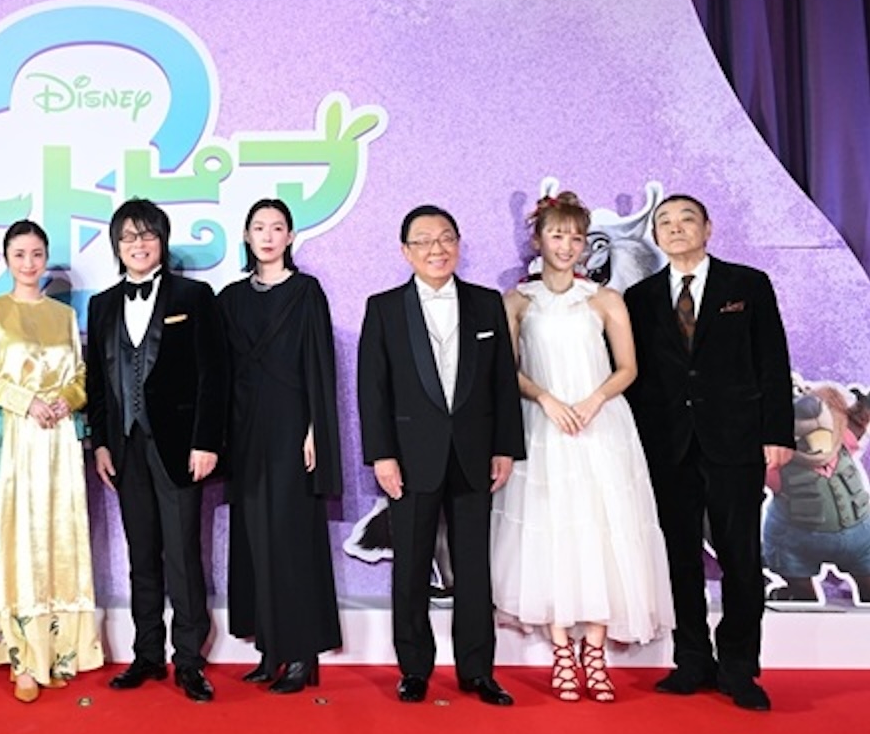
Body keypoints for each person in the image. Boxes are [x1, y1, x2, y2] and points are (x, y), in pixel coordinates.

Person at [489, 192, 673, 703]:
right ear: (538, 240)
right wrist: (546, 399)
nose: (567, 245)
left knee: (603, 530)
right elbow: (507, 370)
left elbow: (628, 368)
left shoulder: (605, 299)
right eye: (557, 235)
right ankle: (561, 651)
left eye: (575, 237)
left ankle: (594, 651)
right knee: (551, 532)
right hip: (543, 426)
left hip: (601, 426)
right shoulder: (517, 301)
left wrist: (594, 401)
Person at [625, 194, 792, 711]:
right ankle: (692, 660)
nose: (675, 228)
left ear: (708, 227)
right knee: (679, 558)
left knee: (740, 557)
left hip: (735, 442)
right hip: (667, 445)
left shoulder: (747, 285)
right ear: (656, 235)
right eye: (665, 222)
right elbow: (636, 377)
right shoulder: (639, 297)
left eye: (686, 219)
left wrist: (778, 433)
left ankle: (739, 667)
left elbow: (772, 360)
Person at [356, 204, 524, 706]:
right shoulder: (384, 308)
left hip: (475, 454)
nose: (437, 248)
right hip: (410, 458)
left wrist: (505, 447)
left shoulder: (485, 303)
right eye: (424, 240)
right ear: (405, 251)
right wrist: (382, 455)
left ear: (458, 244)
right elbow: (373, 389)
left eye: (446, 238)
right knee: (410, 566)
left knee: (473, 567)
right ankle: (414, 668)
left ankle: (478, 670)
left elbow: (502, 382)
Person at [86, 198, 227, 703]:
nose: (138, 244)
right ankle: (147, 653)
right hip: (125, 449)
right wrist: (101, 443)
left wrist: (206, 441)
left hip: (179, 448)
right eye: (128, 237)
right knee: (141, 554)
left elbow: (214, 374)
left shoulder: (195, 295)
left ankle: (189, 659)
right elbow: (98, 383)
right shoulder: (101, 304)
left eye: (147, 235)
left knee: (183, 555)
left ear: (162, 242)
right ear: (116, 246)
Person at [0, 219, 105, 703]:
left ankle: (57, 652)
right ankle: (22, 658)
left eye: (37, 254)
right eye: (19, 254)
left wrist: (67, 399)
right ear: (6, 260)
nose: (29, 263)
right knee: (18, 537)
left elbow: (81, 374)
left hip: (60, 439)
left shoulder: (63, 315)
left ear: (46, 259)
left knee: (58, 537)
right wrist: (26, 402)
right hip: (16, 435)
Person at [219, 199, 342, 694]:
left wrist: (315, 428)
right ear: (246, 236)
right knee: (254, 538)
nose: (267, 236)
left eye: (277, 228)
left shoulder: (307, 292)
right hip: (246, 430)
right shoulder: (230, 298)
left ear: (290, 237)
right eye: (259, 227)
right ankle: (270, 649)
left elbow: (320, 364)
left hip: (293, 426)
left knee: (291, 538)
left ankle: (300, 653)